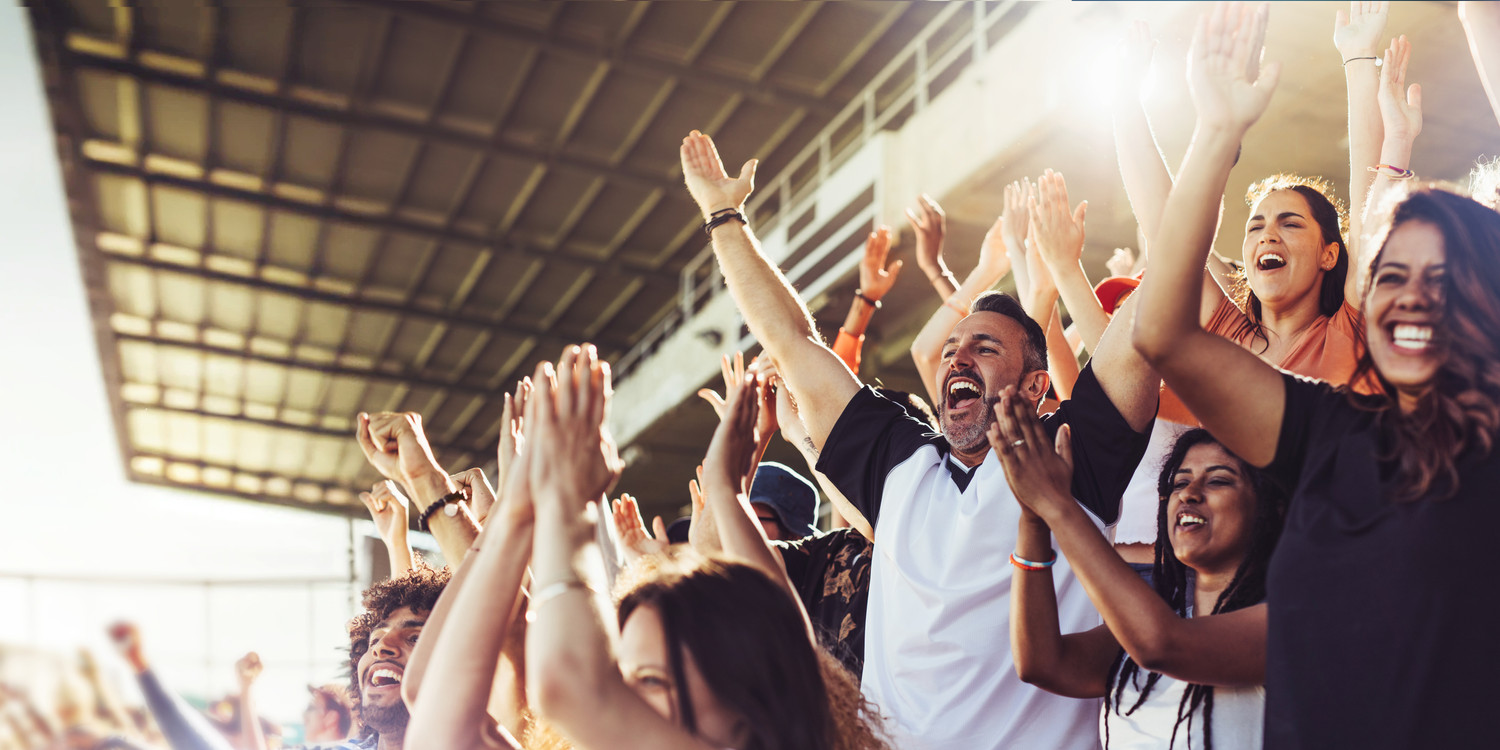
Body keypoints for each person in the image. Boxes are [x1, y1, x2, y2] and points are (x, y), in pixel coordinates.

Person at [680, 129, 1158, 749]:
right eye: (953, 349)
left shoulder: (1073, 454)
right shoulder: (900, 463)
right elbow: (793, 341)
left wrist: (1141, 119)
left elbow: (1155, 320)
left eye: (985, 349)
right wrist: (724, 216)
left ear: (1038, 386)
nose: (957, 360)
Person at [1133, 5, 1500, 745]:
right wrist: (1213, 133)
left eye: (1441, 274)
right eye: (1391, 274)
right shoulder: (1329, 431)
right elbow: (1162, 334)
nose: (1406, 291)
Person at [996, 410, 1284, 749]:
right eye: (1179, 482)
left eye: (1218, 479)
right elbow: (1043, 663)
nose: (1188, 494)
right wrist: (1033, 520)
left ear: (1268, 507)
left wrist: (1058, 505)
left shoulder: (1285, 624)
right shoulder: (1150, 627)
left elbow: (1161, 645)